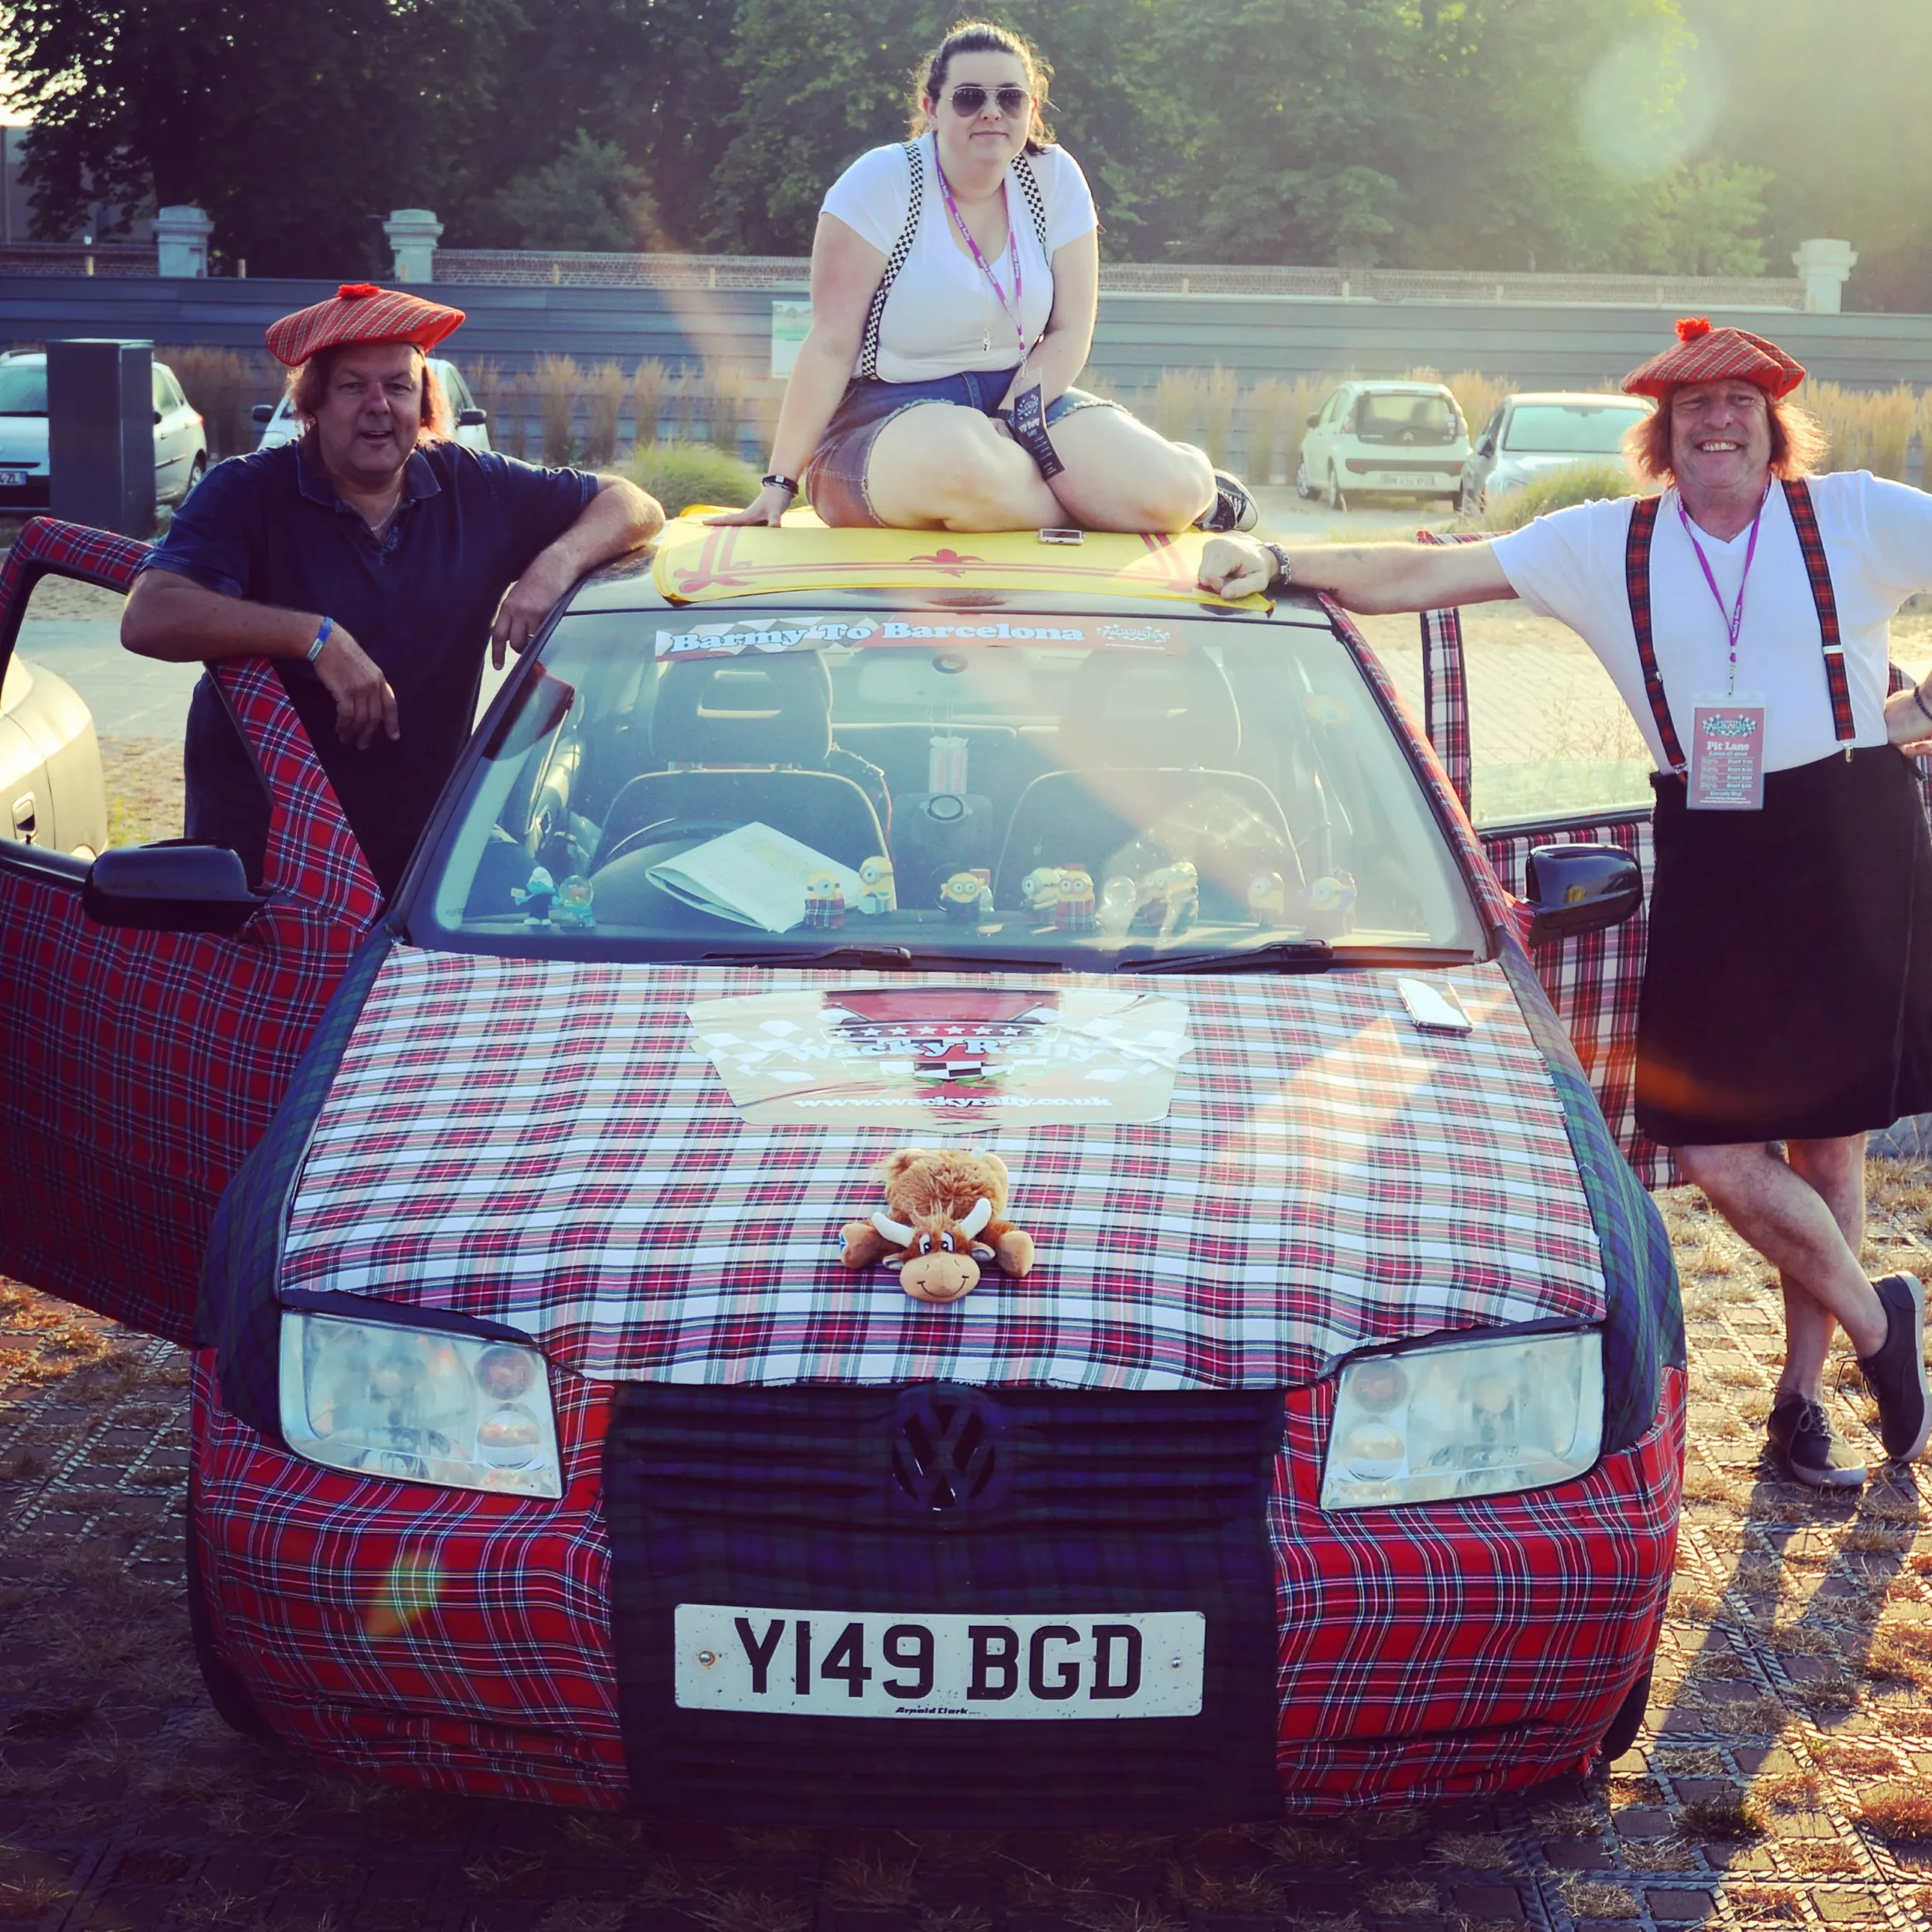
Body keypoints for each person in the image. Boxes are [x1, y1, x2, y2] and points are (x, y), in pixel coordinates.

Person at [1199, 318, 1932, 1490]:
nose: (1718, 421)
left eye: (1739, 401)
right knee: (1706, 1147)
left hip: (1854, 835)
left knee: (1829, 1144)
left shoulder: (1852, 513)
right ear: (1664, 432)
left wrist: (1915, 712)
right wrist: (1285, 563)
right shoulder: (1606, 544)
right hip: (1715, 840)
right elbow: (1426, 575)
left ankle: (1801, 1408)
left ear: (1772, 419)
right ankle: (1884, 1324)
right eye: (1693, 408)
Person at [121, 282, 662, 897]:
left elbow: (634, 504)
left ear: (422, 401)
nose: (379, 406)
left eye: (399, 386)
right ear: (314, 405)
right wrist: (316, 637)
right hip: (269, 859)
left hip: (425, 849)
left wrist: (549, 568)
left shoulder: (473, 484)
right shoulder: (245, 491)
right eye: (353, 386)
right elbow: (149, 615)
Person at [710, 20, 1254, 536]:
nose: (991, 112)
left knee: (1171, 493)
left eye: (1009, 97)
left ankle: (1186, 495)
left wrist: (1012, 417)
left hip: (1022, 397)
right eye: (969, 97)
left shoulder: (1054, 179)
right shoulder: (881, 182)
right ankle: (1093, 506)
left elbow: (1070, 332)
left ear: (1031, 107)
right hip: (884, 416)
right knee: (965, 465)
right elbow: (830, 345)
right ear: (931, 108)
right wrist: (780, 482)